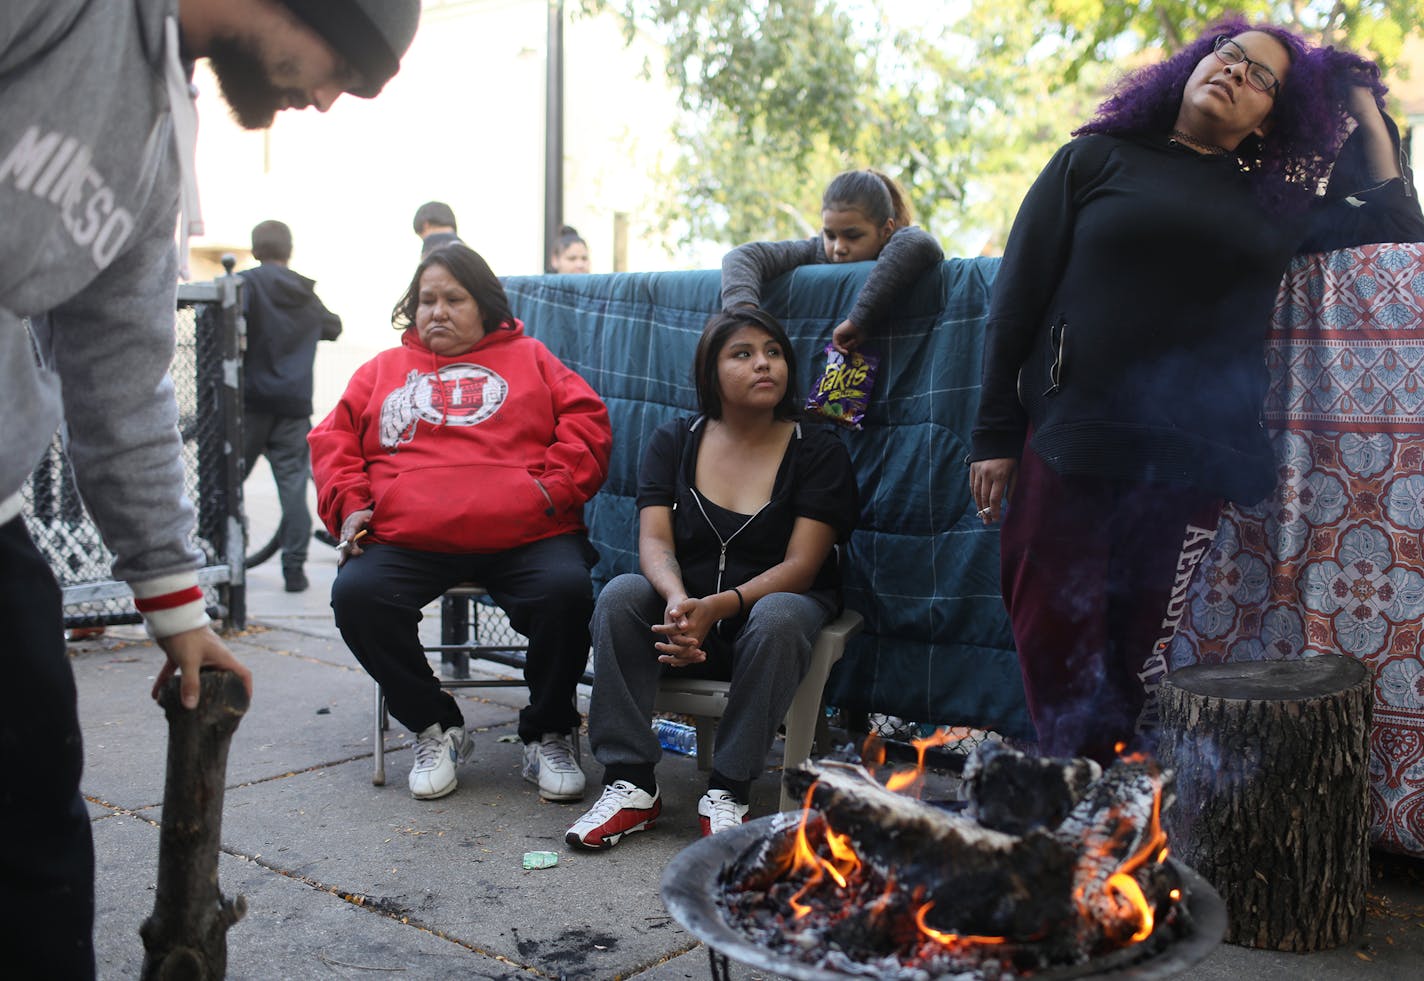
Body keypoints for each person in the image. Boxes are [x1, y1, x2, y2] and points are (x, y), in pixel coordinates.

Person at [1, 0, 419, 975]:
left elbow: (120, 368)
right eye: (336, 66)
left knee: (34, 844)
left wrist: (176, 603)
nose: (320, 99)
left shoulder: (160, 133)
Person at [967, 19, 1424, 765]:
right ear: (1190, 63)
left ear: (1273, 118)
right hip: (1071, 437)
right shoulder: (1093, 159)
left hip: (1188, 463)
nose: (1237, 74)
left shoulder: (1274, 204)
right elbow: (1015, 301)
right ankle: (1078, 797)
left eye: (1262, 80)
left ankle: (1107, 822)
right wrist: (992, 436)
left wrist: (1363, 99)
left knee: (1132, 654)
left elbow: (1399, 222)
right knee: (1053, 636)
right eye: (1229, 57)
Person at [309, 243, 612, 804]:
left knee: (566, 592)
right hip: (409, 533)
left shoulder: (534, 358)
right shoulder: (381, 370)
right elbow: (334, 441)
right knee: (357, 595)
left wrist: (549, 490)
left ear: (486, 307)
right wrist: (349, 504)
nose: (437, 312)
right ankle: (435, 726)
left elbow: (587, 422)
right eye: (426, 300)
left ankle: (548, 731)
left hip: (526, 530)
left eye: (454, 299)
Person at [566, 307, 859, 848]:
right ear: (710, 371)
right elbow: (654, 541)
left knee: (778, 613)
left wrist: (718, 606)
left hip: (771, 620)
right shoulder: (675, 441)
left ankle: (729, 789)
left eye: (773, 353)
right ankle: (631, 784)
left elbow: (802, 565)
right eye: (742, 354)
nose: (764, 364)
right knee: (620, 595)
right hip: (686, 617)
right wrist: (679, 601)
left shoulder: (817, 452)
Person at [720, 169, 944, 354]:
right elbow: (741, 257)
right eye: (830, 235)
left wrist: (859, 320)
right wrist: (745, 315)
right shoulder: (815, 251)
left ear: (886, 230)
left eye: (853, 236)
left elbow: (919, 242)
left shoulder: (901, 244)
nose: (839, 248)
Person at [240, 219, 343, 593]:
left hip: (249, 404)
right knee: (294, 488)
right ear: (289, 250)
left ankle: (223, 559)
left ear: (255, 249)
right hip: (294, 405)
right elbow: (334, 327)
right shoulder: (304, 293)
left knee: (226, 485)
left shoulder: (246, 285)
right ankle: (294, 572)